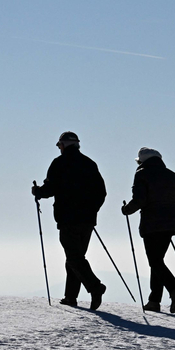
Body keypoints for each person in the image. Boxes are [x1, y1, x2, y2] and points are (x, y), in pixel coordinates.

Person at [32, 131, 107, 310]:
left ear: (64, 145)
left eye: (59, 145)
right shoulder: (89, 164)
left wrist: (38, 192)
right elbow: (101, 192)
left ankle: (95, 287)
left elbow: (50, 188)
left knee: (74, 257)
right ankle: (70, 296)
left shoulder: (60, 163)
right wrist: (92, 210)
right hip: (88, 220)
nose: (59, 148)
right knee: (75, 256)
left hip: (68, 218)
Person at [122, 147, 175, 313]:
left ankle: (174, 289)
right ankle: (154, 300)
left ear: (142, 161)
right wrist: (171, 216)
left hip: (151, 225)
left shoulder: (142, 174)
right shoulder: (172, 176)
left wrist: (126, 210)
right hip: (169, 225)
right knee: (157, 261)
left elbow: (140, 199)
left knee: (155, 261)